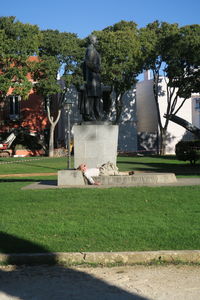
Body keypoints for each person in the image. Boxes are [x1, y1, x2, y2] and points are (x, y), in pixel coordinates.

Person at [80, 35, 102, 121]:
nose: (97, 41)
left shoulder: (94, 50)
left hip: (95, 77)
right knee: (92, 96)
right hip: (92, 77)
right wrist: (97, 68)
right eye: (96, 40)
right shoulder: (90, 49)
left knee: (96, 96)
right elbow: (88, 62)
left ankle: (96, 115)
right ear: (92, 40)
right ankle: (91, 115)